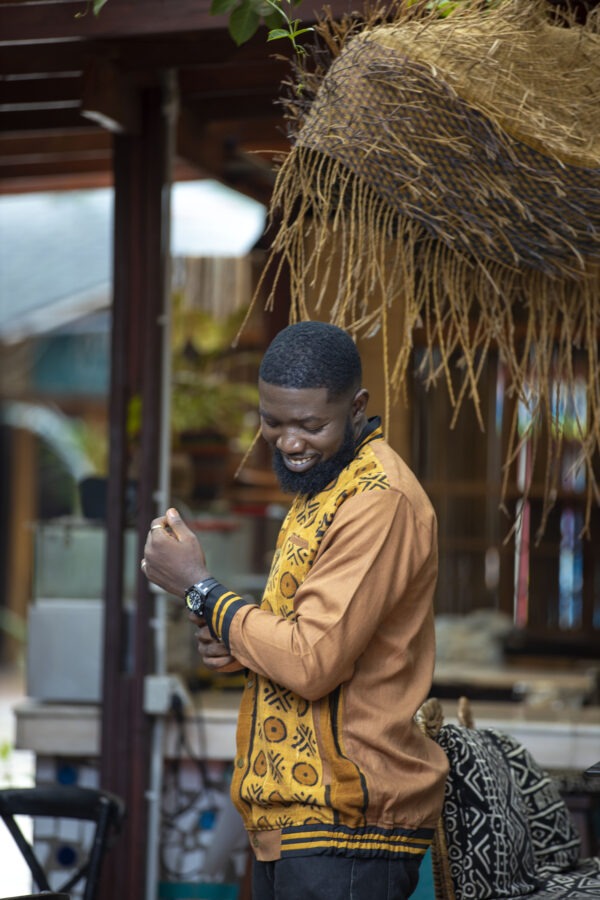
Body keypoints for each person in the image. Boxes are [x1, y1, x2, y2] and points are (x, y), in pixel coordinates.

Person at [142, 321, 448, 900]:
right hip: (299, 819)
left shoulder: (377, 499)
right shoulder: (326, 489)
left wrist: (201, 590)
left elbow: (311, 662)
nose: (288, 442)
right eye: (273, 421)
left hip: (349, 823)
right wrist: (237, 643)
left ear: (356, 408)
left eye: (311, 425)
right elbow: (307, 635)